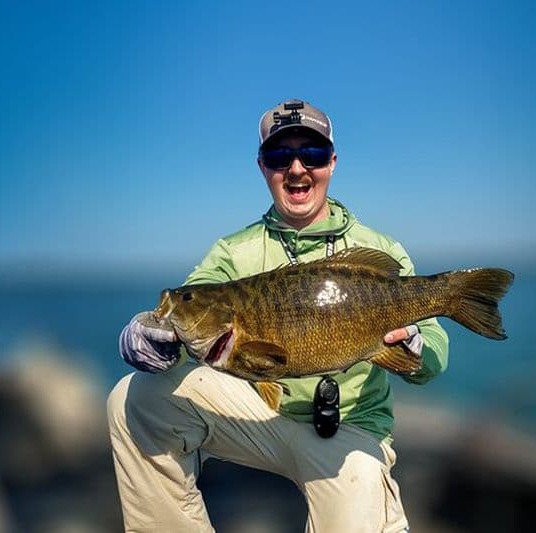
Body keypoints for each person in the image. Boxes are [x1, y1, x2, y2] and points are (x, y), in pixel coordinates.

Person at [107, 99, 450, 532]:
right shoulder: (233, 252)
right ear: (262, 166)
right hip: (258, 420)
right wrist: (147, 331)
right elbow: (189, 307)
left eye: (312, 154)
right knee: (133, 398)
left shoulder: (380, 250)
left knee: (361, 499)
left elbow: (434, 359)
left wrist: (416, 345)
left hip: (352, 433)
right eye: (278, 156)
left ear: (332, 162)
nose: (296, 168)